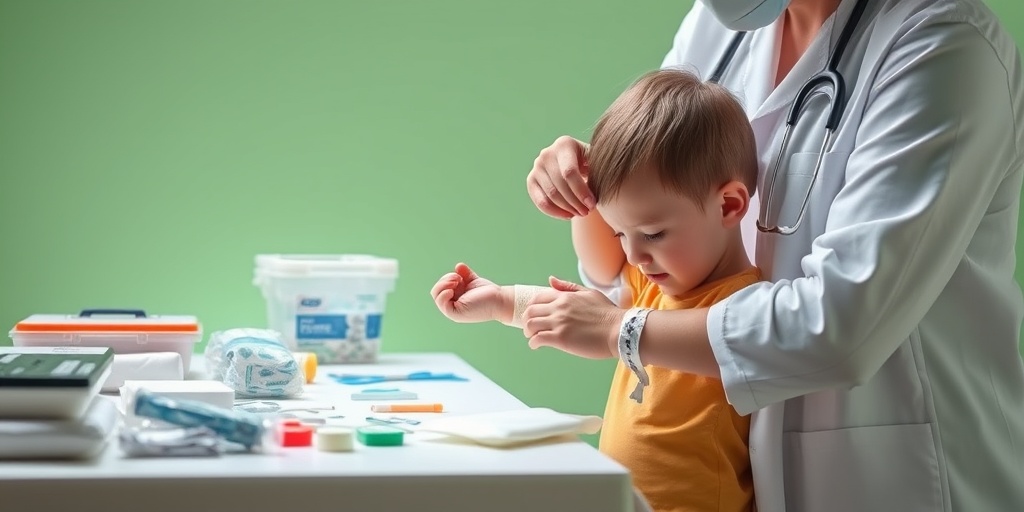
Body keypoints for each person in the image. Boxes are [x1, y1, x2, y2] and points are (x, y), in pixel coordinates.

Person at [519, 0, 1024, 511]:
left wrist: (620, 331)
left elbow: (839, 326)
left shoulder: (946, 44)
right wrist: (591, 181)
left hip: (897, 476)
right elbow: (646, 257)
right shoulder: (720, 26)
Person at [431, 68, 762, 511]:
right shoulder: (657, 286)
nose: (635, 255)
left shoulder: (746, 311)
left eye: (654, 233)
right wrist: (501, 301)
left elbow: (611, 323)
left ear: (729, 205)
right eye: (620, 233)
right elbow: (584, 309)